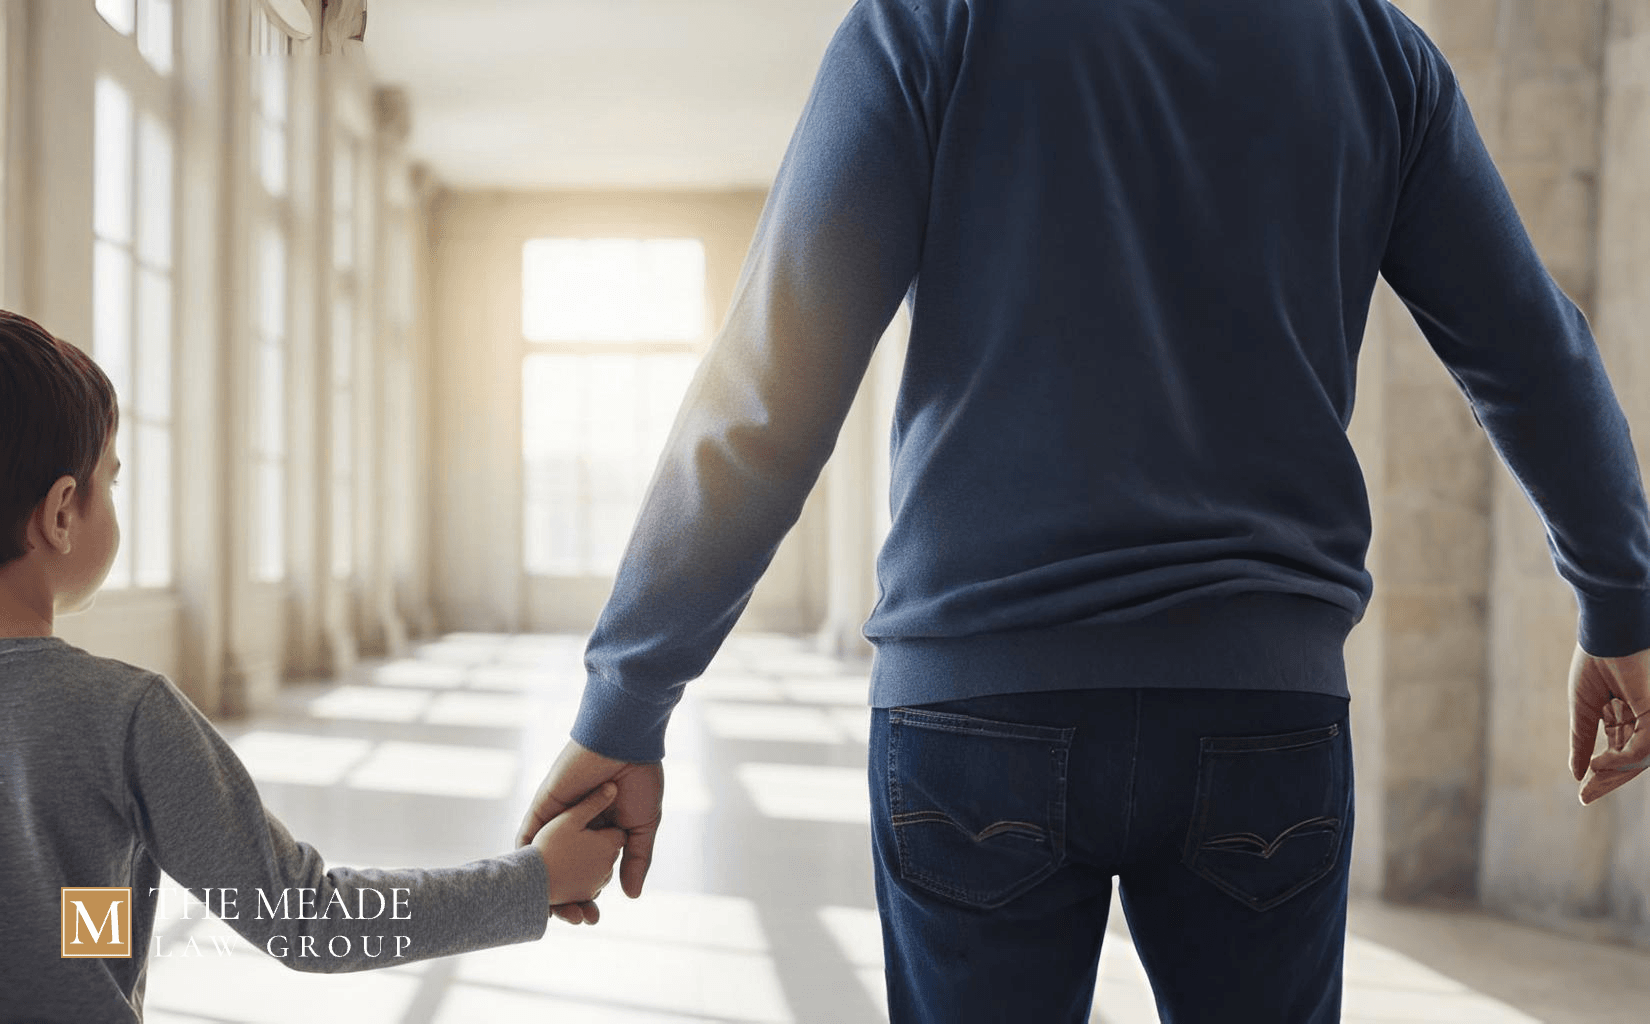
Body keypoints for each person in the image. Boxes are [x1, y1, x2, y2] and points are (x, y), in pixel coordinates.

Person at [517, 0, 1650, 1019]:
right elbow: (1531, 351)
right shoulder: (1372, 46)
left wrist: (629, 699)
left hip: (974, 717)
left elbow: (770, 391)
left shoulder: (928, 25)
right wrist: (1621, 601)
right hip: (1262, 719)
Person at [0, 310, 626, 1023]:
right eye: (108, 482)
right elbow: (306, 920)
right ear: (60, 515)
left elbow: (55, 922)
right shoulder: (120, 716)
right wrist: (532, 881)